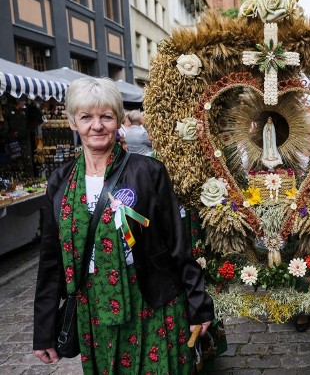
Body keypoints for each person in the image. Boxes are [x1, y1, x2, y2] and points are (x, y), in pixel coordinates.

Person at [33, 77, 214, 374]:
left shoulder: (148, 171)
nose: (97, 125)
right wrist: (43, 330)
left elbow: (179, 243)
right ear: (72, 123)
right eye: (86, 117)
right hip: (94, 307)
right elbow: (51, 258)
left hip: (150, 298)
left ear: (118, 120)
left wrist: (199, 304)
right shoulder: (61, 181)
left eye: (106, 116)